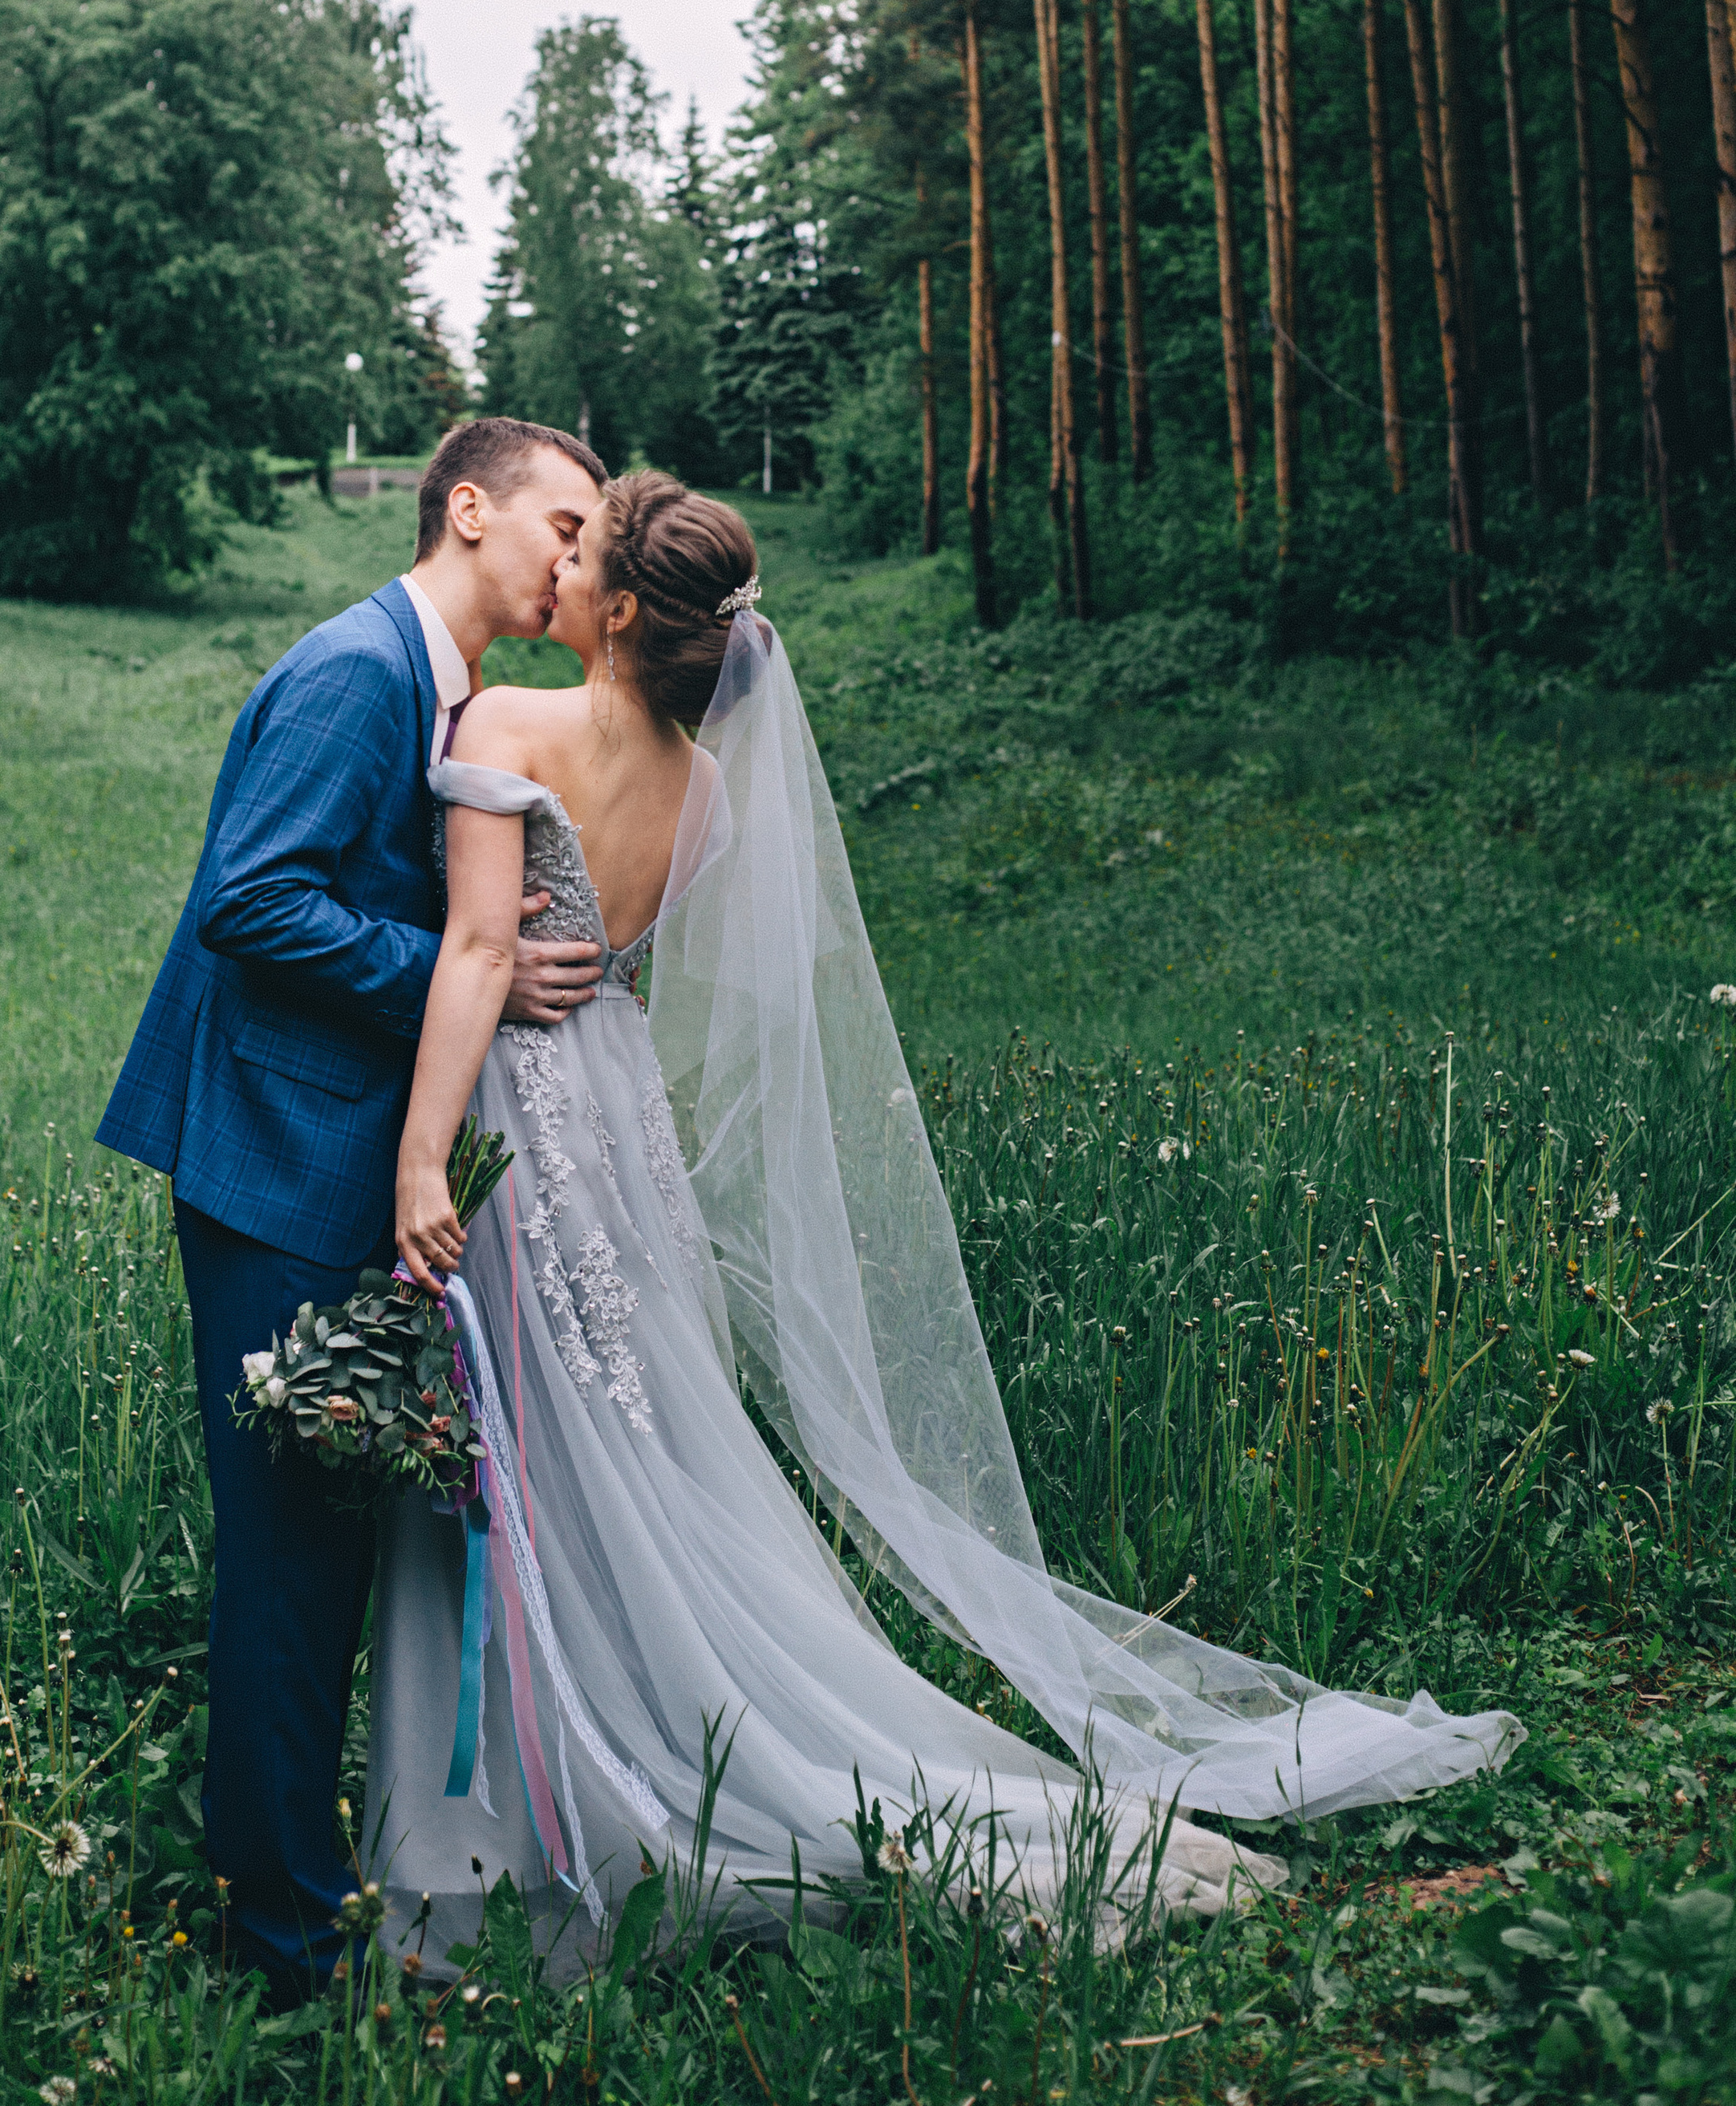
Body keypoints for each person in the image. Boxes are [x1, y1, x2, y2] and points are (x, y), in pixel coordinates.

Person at [367, 469, 1523, 1961]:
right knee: (629, 1459)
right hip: (625, 1138)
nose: (564, 567)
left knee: (523, 1464)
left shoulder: (502, 726)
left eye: (584, 552)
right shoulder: (709, 792)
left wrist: (415, 1164)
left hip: (526, 1130)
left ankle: (548, 1803)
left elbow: (474, 962)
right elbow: (638, 974)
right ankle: (599, 1753)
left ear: (626, 609)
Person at [95, 416, 607, 2001]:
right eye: (563, 524)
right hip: (272, 1161)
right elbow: (247, 900)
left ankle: (297, 1893)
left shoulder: (456, 691)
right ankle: (281, 1952)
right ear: (468, 509)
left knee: (322, 1546)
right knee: (289, 1556)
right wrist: (467, 978)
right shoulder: (354, 669)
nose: (575, 558)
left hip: (326, 1157)